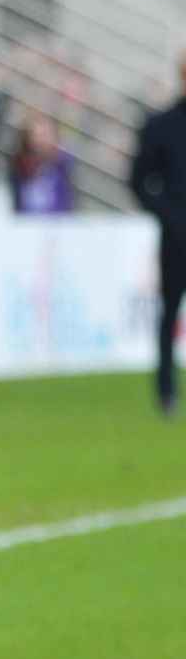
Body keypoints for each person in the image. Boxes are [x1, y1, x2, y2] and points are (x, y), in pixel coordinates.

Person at [130, 58, 186, 416]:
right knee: (169, 313)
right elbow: (138, 180)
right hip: (176, 235)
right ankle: (166, 391)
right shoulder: (161, 125)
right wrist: (169, 216)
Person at [10, 112, 76, 215]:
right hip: (25, 225)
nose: (40, 140)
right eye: (36, 135)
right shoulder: (20, 165)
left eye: (45, 134)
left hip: (59, 224)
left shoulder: (64, 164)